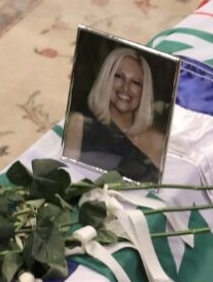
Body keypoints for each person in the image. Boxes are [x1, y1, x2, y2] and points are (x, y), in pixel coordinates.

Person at [63, 46, 166, 182]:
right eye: (118, 76)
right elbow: (67, 177)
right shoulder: (80, 125)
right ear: (106, 79)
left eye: (135, 82)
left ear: (144, 92)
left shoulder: (159, 141)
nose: (125, 87)